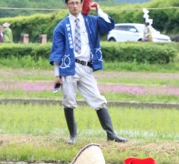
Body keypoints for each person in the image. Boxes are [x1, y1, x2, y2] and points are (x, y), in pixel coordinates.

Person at [50, 0, 127, 145]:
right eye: (71, 3)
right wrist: (56, 75)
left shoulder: (91, 21)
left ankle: (111, 134)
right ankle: (73, 136)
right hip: (69, 68)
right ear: (66, 5)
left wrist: (98, 9)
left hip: (86, 68)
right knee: (69, 101)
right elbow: (57, 52)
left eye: (77, 2)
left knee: (97, 99)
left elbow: (108, 25)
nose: (74, 6)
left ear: (81, 4)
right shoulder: (61, 27)